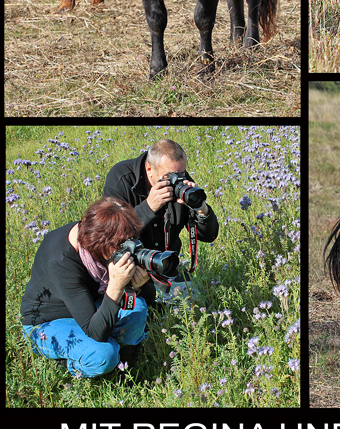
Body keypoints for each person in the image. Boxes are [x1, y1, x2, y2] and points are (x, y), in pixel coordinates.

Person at [21, 197, 155, 377]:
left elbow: (148, 298)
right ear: (100, 244)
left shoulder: (107, 238)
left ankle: (126, 367)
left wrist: (136, 287)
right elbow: (96, 331)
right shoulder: (61, 260)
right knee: (102, 354)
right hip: (47, 322)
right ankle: (73, 366)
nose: (128, 249)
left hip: (89, 306)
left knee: (136, 308)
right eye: (121, 245)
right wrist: (115, 286)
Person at [102, 139, 218, 294]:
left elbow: (208, 236)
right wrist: (149, 206)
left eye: (182, 173)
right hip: (132, 272)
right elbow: (110, 235)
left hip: (167, 267)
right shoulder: (121, 179)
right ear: (149, 169)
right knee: (141, 313)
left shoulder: (182, 182)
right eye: (168, 176)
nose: (176, 180)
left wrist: (201, 209)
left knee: (199, 308)